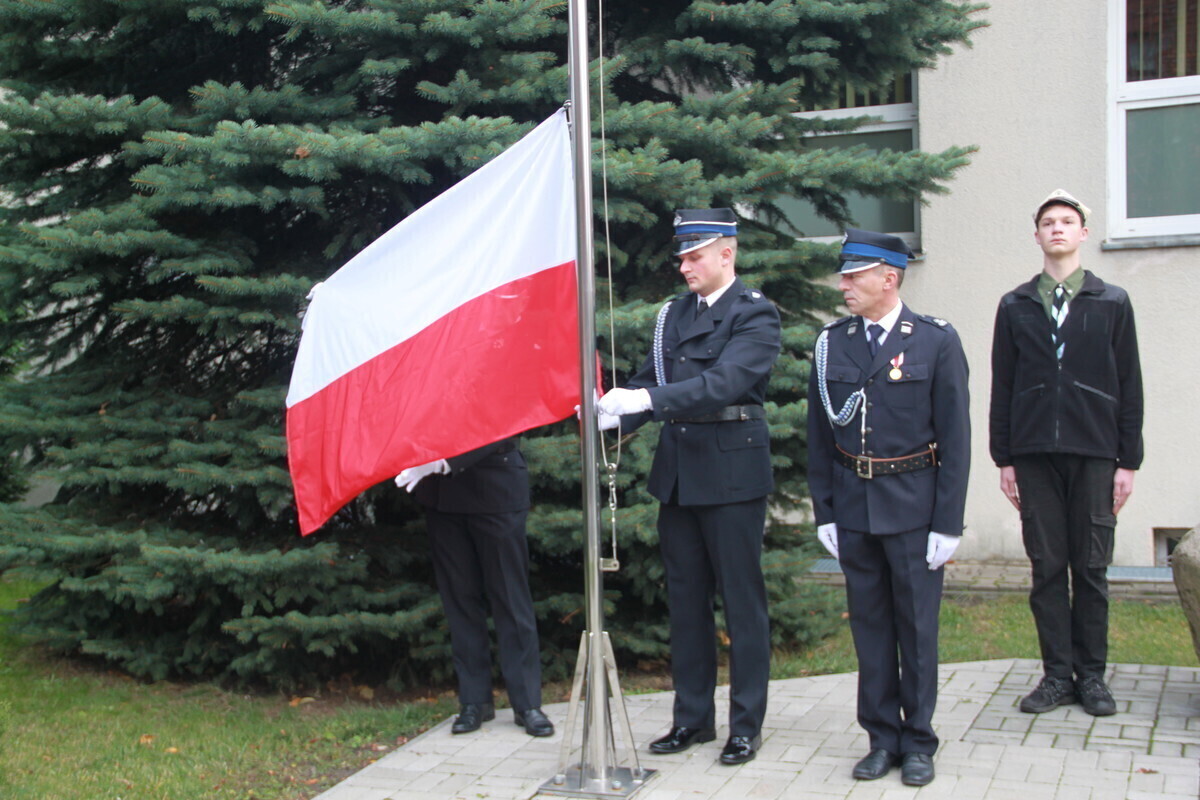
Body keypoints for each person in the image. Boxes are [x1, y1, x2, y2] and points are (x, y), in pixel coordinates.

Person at [597, 208, 780, 766]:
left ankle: (745, 725)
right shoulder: (672, 315)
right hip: (679, 475)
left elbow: (722, 382)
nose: (684, 266)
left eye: (695, 255)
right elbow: (653, 379)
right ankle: (692, 719)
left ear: (727, 253)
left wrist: (648, 401)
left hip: (730, 473)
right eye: (681, 256)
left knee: (742, 606)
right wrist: (612, 413)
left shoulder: (756, 315)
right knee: (686, 605)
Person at [807, 229, 970, 787]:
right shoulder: (833, 342)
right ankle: (881, 737)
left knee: (917, 630)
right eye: (844, 274)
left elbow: (957, 438)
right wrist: (824, 511)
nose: (843, 284)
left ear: (889, 278)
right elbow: (819, 438)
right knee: (871, 629)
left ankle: (919, 741)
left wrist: (947, 523)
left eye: (854, 275)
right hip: (855, 506)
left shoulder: (934, 341)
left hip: (915, 508)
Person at [989, 189, 1143, 718]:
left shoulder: (1112, 302)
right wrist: (1004, 458)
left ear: (1082, 233)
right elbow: (1002, 384)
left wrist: (1128, 461)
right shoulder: (1015, 305)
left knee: (1092, 568)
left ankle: (1092, 677)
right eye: (1048, 222)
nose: (1057, 228)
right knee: (1048, 568)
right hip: (1034, 454)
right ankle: (1057, 675)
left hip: (1096, 452)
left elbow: (1131, 384)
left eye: (1067, 221)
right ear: (1037, 236)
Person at [396, 436, 554, 737]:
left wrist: (446, 461)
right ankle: (474, 701)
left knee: (510, 599)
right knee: (460, 602)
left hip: (497, 486)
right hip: (442, 494)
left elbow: (503, 420)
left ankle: (527, 704)